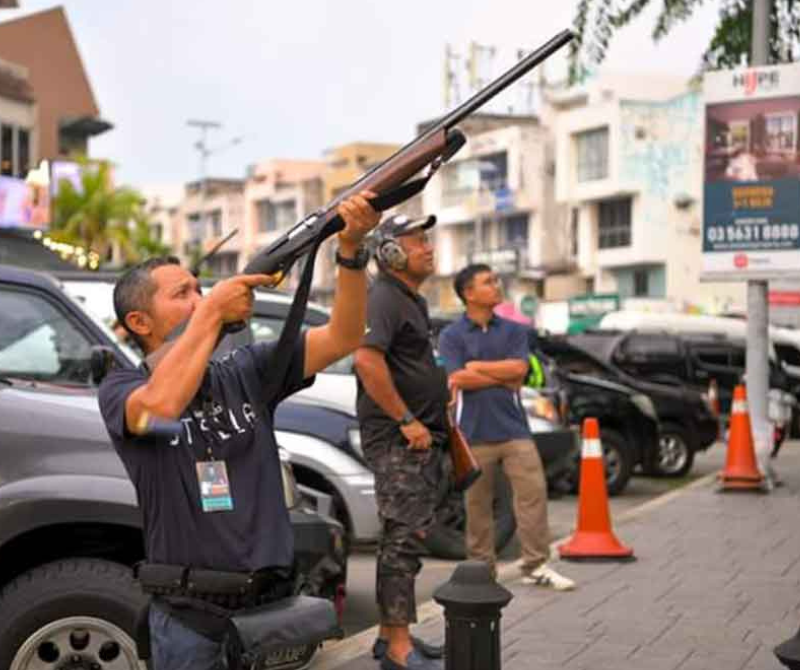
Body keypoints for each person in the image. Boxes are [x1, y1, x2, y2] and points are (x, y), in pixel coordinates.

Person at [97, 192, 381, 670]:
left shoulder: (245, 370)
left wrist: (351, 252)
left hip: (268, 611)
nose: (199, 299)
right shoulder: (122, 390)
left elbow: (344, 337)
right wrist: (209, 316)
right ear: (139, 322)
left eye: (198, 289)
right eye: (181, 294)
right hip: (190, 620)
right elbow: (162, 405)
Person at [438, 264, 575, 591]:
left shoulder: (514, 331)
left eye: (496, 281)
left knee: (533, 495)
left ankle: (536, 564)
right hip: (471, 433)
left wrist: (478, 368)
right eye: (488, 282)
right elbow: (457, 378)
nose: (496, 286)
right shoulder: (451, 336)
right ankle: (482, 572)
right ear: (468, 293)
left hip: (515, 430)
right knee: (478, 507)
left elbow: (519, 370)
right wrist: (499, 375)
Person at [353, 214, 448, 670]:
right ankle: (398, 650)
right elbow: (367, 361)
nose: (428, 248)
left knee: (402, 539)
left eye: (427, 240)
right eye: (417, 241)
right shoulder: (383, 298)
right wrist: (407, 419)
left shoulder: (411, 299)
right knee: (403, 542)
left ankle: (391, 635)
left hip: (418, 439)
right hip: (398, 439)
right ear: (389, 252)